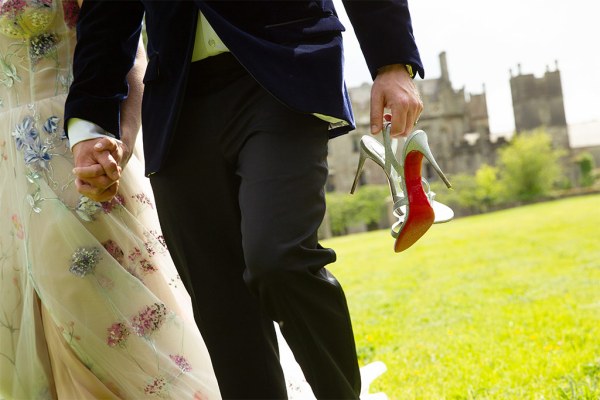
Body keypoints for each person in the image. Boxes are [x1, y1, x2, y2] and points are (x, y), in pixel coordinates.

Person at [66, 1, 424, 398]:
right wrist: (90, 124)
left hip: (283, 67)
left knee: (279, 257)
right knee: (219, 300)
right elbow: (107, 15)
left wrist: (392, 61)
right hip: (177, 95)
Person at [0, 0, 221, 398]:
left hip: (74, 149)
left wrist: (121, 141)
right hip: (5, 166)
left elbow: (127, 49)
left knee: (93, 303)